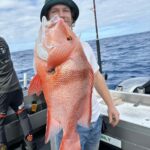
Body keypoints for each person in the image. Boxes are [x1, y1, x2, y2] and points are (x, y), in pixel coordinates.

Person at [40, 0, 120, 149]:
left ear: (72, 16)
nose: (61, 15)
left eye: (65, 10)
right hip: (69, 126)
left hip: (94, 120)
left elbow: (96, 76)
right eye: (54, 11)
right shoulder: (46, 50)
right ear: (47, 18)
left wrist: (111, 105)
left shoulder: (84, 46)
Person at [0, 37, 36, 150]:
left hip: (3, 93)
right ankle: (30, 146)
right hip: (16, 88)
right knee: (22, 115)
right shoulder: (3, 42)